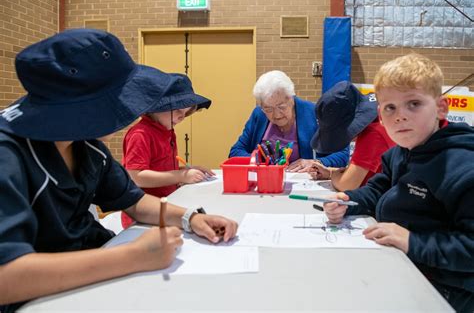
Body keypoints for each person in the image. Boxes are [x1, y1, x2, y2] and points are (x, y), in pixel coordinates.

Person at [0, 29, 238, 312]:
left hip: (93, 274)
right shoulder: (8, 156)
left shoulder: (86, 145)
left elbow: (135, 201)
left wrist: (190, 217)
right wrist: (133, 256)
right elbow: (7, 277)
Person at [323, 53, 474, 312]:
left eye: (413, 104)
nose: (399, 116)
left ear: (441, 108)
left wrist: (412, 241)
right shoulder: (402, 151)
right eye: (390, 108)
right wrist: (349, 202)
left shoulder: (463, 168)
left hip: (448, 292)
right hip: (404, 267)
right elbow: (378, 189)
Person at [121, 74, 215, 229]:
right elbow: (136, 176)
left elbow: (160, 169)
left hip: (166, 207)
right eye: (178, 110)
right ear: (157, 106)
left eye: (186, 113)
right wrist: (180, 175)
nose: (182, 117)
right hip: (143, 216)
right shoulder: (141, 134)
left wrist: (186, 170)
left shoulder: (167, 131)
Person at [228, 70, 349, 169]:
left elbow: (343, 154)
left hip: (303, 183)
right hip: (265, 182)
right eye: (268, 109)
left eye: (281, 107)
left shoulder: (315, 113)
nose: (276, 115)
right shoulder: (259, 115)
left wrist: (316, 162)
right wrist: (258, 161)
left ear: (292, 98)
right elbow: (235, 152)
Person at [308, 81, 396, 190]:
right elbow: (362, 174)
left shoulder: (372, 133)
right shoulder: (377, 122)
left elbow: (347, 185)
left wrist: (334, 176)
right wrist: (330, 172)